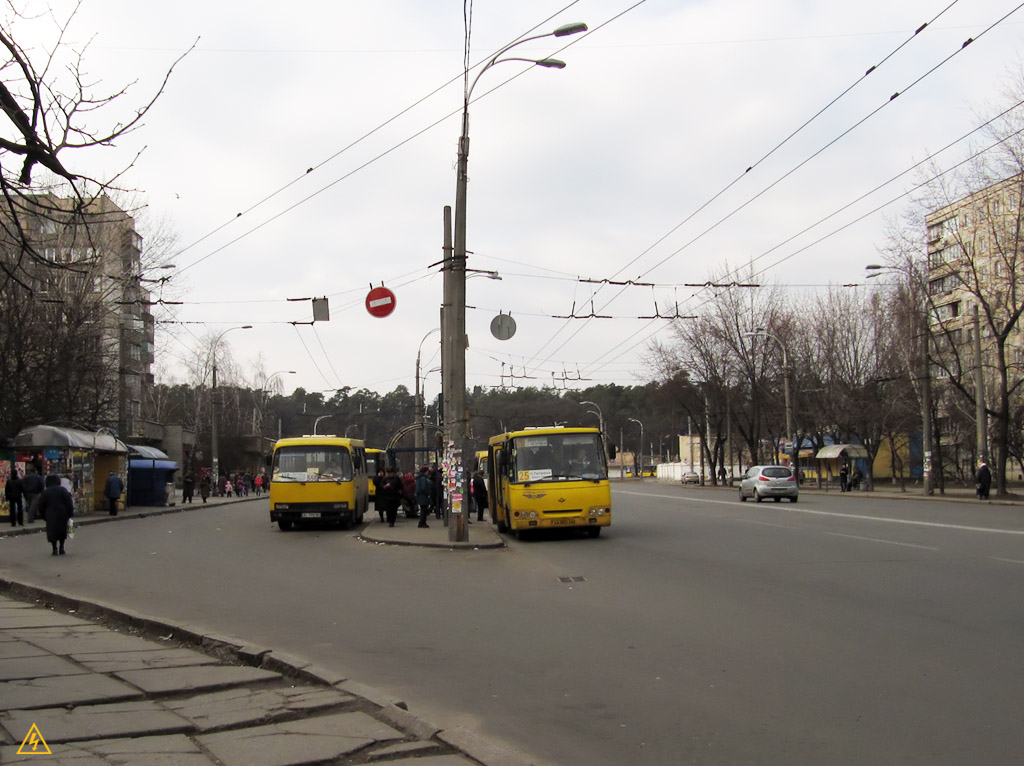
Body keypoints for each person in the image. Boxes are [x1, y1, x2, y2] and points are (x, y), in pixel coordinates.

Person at [38, 474, 74, 555]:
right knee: (62, 531)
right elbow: (69, 502)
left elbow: (41, 505)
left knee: (52, 531)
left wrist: (44, 515)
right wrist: (70, 513)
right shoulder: (63, 490)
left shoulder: (46, 492)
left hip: (50, 514)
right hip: (62, 514)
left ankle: (54, 548)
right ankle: (62, 547)